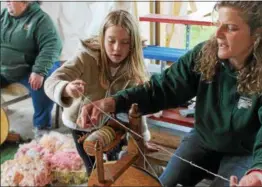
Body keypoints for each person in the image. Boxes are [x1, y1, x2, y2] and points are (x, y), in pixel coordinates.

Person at [78, 1, 262, 186]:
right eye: (218, 23)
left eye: (231, 28)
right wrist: (112, 102)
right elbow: (161, 89)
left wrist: (261, 174)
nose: (217, 33)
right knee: (163, 184)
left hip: (245, 153)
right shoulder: (204, 55)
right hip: (203, 140)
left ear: (257, 33)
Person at [44, 10, 154, 176]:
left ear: (133, 44)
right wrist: (66, 88)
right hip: (80, 124)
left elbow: (136, 106)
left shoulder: (132, 69)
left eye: (125, 42)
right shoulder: (85, 57)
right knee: (94, 171)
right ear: (102, 38)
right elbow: (51, 82)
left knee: (114, 165)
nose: (117, 48)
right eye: (111, 41)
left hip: (111, 124)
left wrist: (142, 139)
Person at [0, 1, 62, 136]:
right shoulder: (3, 16)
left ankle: (42, 127)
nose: (6, 1)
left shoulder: (41, 20)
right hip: (4, 69)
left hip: (29, 69)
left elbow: (52, 46)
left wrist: (39, 70)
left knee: (44, 79)